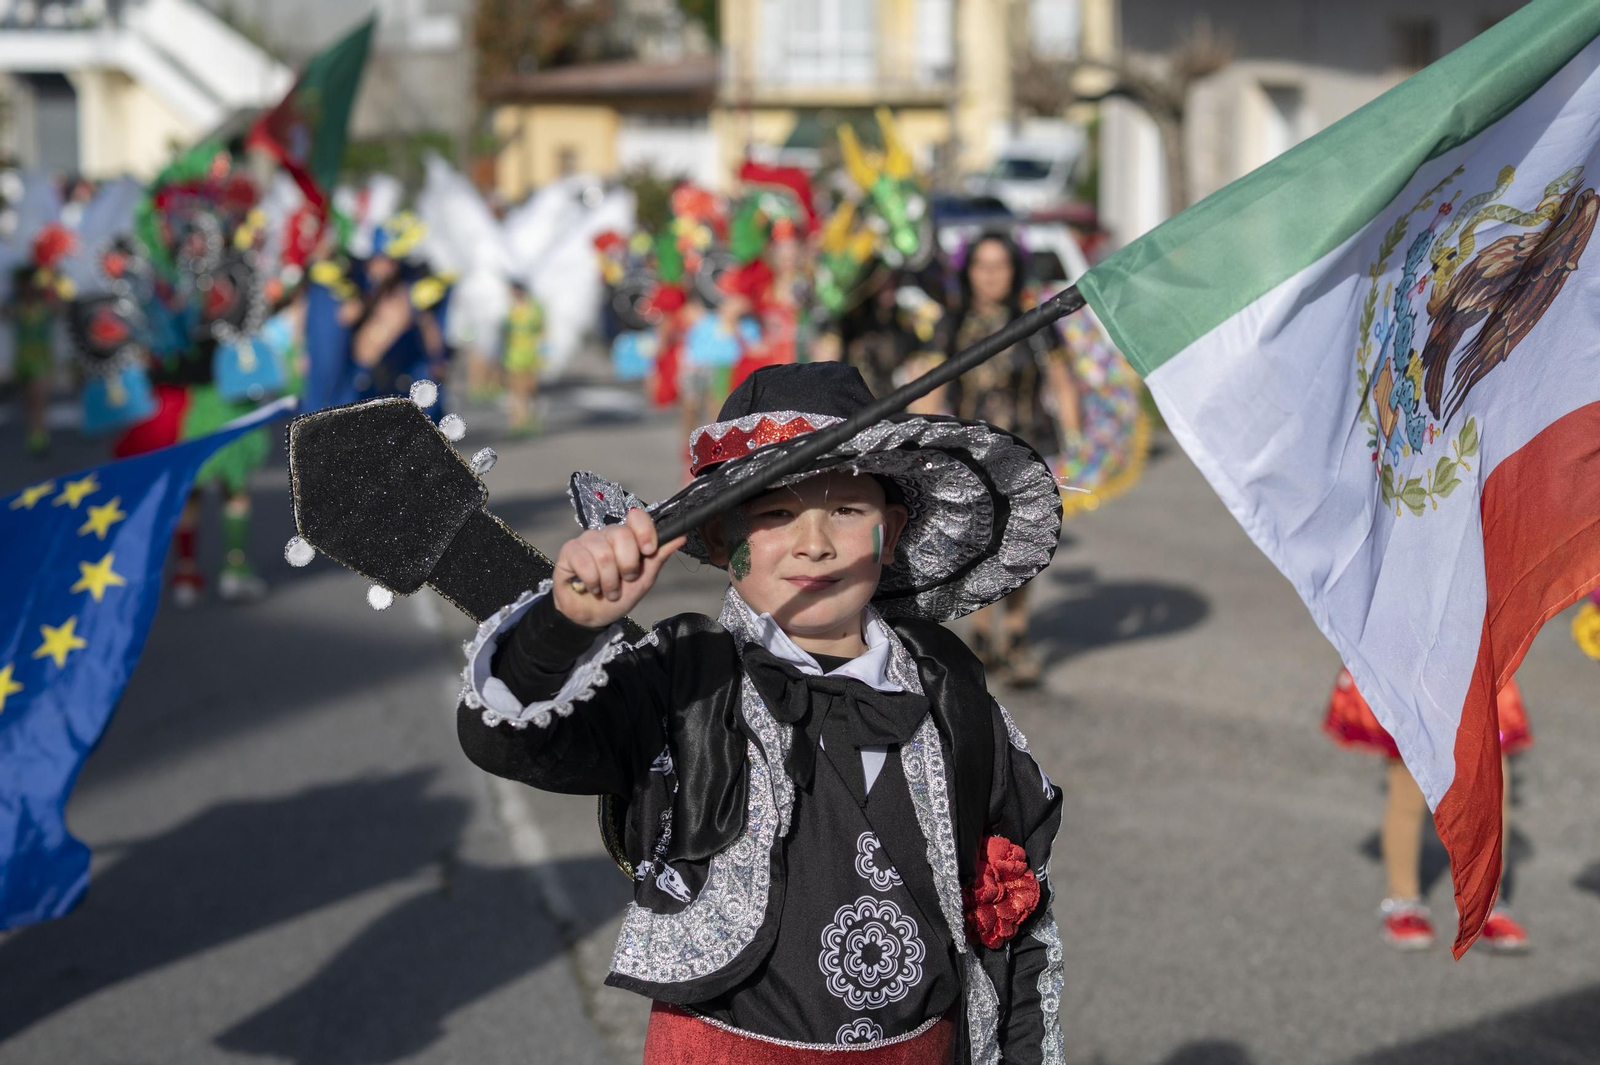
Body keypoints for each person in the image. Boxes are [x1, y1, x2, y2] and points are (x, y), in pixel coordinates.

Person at [458, 362, 1065, 1063]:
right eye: (775, 514)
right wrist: (563, 626)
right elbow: (506, 738)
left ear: (891, 532)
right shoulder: (679, 678)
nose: (815, 542)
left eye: (846, 509)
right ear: (719, 540)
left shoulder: (949, 691)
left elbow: (1020, 911)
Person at [925, 232, 1080, 686]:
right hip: (967, 454)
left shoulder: (1034, 322)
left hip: (1025, 451)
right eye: (981, 265)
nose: (991, 275)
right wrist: (917, 442)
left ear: (1014, 271)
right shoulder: (951, 323)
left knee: (1019, 544)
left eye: (1000, 265)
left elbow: (1061, 379)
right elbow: (930, 385)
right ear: (967, 271)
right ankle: (977, 635)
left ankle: (1015, 637)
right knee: (975, 544)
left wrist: (1073, 446)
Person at [1324, 667, 1531, 952]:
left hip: (1475, 657)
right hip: (1411, 661)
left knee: (1491, 786)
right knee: (1407, 785)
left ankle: (1484, 902)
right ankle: (1403, 900)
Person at [10, 268, 56, 458]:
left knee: (38, 398)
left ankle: (39, 436)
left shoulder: (45, 304)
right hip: (22, 360)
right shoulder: (15, 305)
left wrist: (51, 280)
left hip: (42, 360)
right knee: (28, 400)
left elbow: (62, 307)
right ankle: (34, 431)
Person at [502, 280, 544, 435]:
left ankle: (532, 417)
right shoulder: (508, 309)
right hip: (512, 354)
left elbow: (542, 329)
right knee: (515, 390)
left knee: (531, 389)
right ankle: (517, 422)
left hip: (531, 354)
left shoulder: (534, 308)